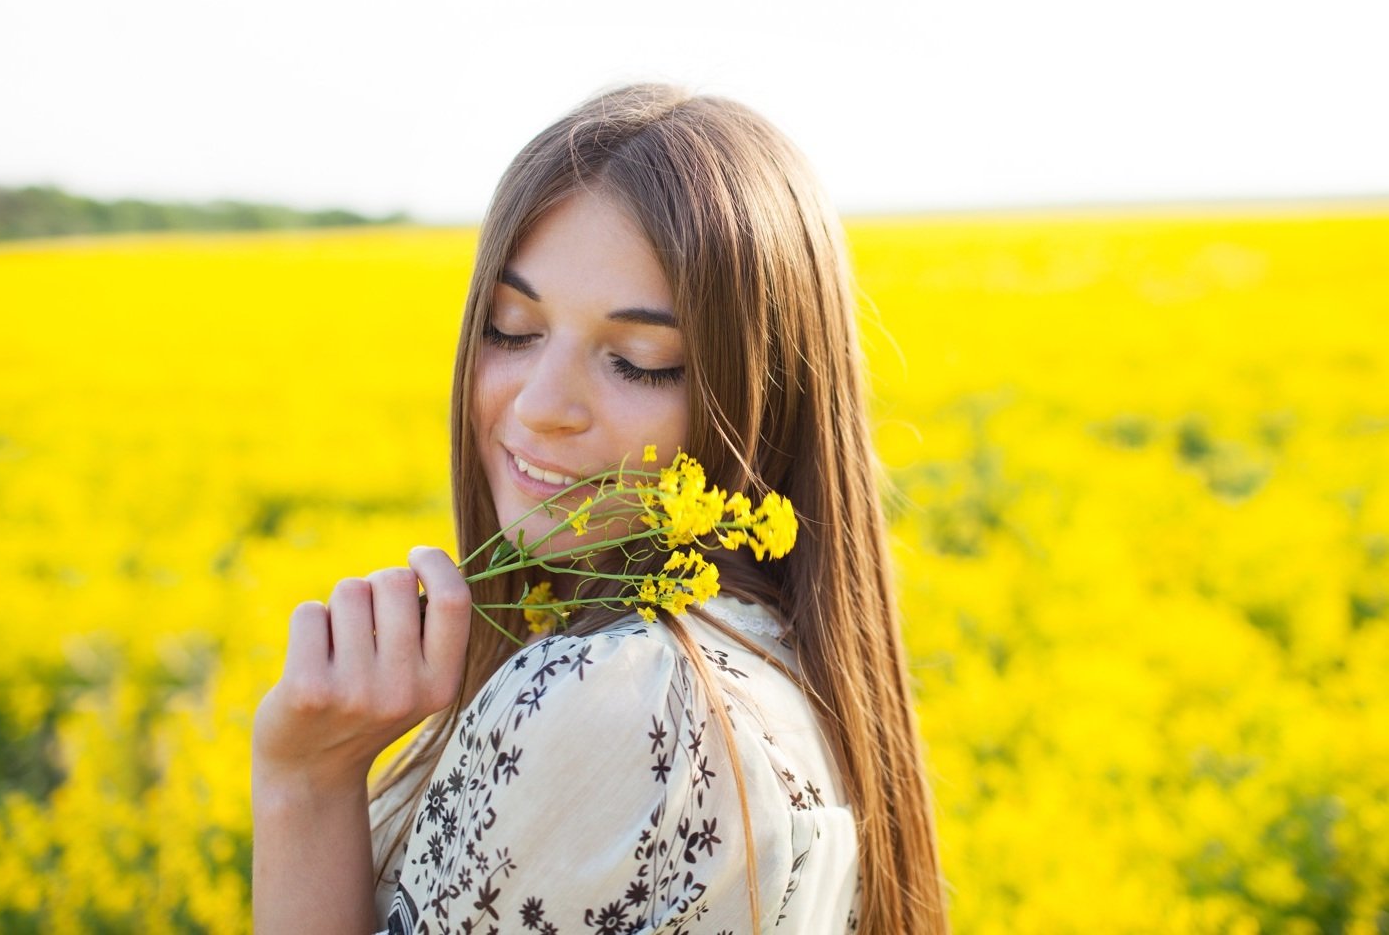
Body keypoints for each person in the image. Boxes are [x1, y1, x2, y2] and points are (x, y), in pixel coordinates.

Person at [252, 83, 949, 934]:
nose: (543, 405)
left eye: (638, 360)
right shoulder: (784, 665)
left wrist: (303, 786)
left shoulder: (613, 700)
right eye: (512, 329)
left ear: (764, 397)